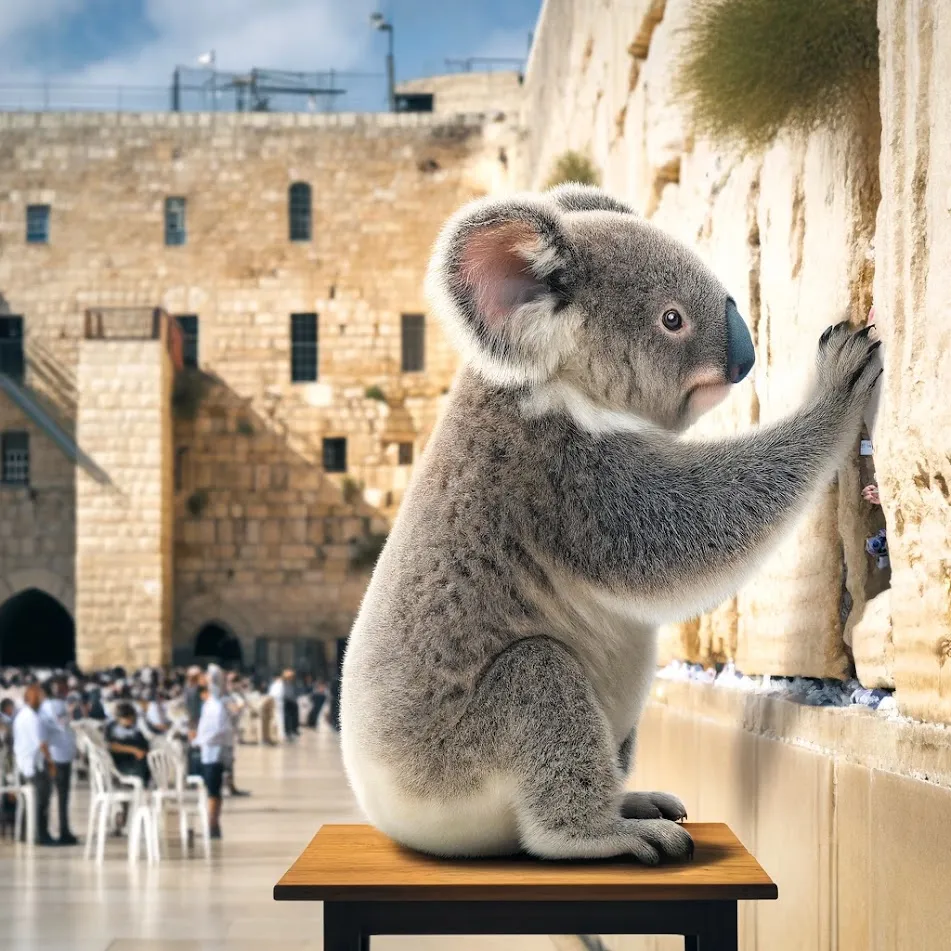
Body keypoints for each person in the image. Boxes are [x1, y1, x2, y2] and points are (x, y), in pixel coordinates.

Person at [13, 684, 56, 845]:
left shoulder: (22, 715)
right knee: (41, 801)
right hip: (34, 766)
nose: (43, 699)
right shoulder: (32, 717)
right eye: (40, 696)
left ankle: (28, 833)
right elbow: (42, 744)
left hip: (24, 764)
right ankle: (41, 834)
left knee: (32, 802)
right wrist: (51, 763)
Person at [39, 676, 79, 845]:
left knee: (59, 797)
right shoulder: (55, 705)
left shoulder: (47, 706)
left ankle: (62, 829)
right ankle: (61, 831)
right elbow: (62, 724)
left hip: (61, 754)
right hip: (59, 756)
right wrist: (70, 710)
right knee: (61, 797)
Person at [195, 665, 233, 839]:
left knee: (213, 791)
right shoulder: (210, 705)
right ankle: (211, 823)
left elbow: (220, 731)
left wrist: (200, 740)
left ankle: (212, 824)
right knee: (210, 790)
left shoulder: (217, 706)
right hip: (207, 752)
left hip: (214, 754)